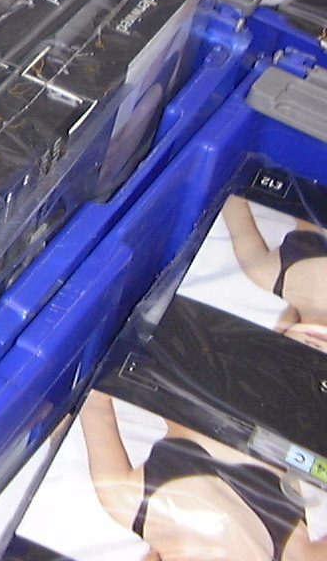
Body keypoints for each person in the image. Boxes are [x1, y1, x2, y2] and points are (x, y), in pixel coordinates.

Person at [79, 389, 327, 561]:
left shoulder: (124, 501)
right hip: (296, 377)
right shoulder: (294, 554)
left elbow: (91, 397)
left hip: (194, 350)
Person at [221, 194, 327, 354]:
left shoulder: (266, 273)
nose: (313, 346)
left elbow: (231, 199)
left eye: (298, 353)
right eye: (317, 360)